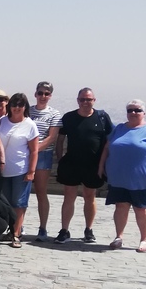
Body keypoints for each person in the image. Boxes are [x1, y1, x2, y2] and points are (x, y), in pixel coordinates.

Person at [54, 87, 112, 243]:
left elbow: (109, 141)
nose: (85, 102)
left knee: (89, 196)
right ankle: (64, 230)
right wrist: (60, 159)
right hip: (72, 163)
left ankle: (88, 229)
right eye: (82, 99)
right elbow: (60, 140)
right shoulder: (69, 117)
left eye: (89, 99)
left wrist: (104, 165)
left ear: (94, 100)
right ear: (78, 100)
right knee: (69, 197)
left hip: (93, 165)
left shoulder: (102, 117)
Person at [98, 99, 146, 253]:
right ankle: (119, 236)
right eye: (130, 110)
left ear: (144, 112)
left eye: (137, 110)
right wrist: (101, 165)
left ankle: (144, 240)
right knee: (121, 206)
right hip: (118, 176)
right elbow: (107, 147)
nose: (133, 113)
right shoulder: (119, 128)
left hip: (141, 178)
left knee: (141, 208)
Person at [0, 93, 38, 248]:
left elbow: (34, 151)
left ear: (25, 107)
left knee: (19, 203)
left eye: (20, 105)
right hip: (3, 170)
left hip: (21, 170)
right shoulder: (2, 122)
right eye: (14, 104)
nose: (17, 108)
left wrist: (31, 171)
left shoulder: (30, 125)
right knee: (6, 203)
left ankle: (16, 234)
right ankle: (10, 229)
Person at [29, 81, 62, 241]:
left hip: (42, 156)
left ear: (50, 96)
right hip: (25, 155)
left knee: (41, 192)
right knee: (22, 193)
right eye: (40, 93)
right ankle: (17, 226)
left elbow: (52, 137)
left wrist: (35, 150)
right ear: (35, 94)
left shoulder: (54, 114)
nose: (43, 96)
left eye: (46, 94)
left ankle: (43, 227)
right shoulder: (27, 111)